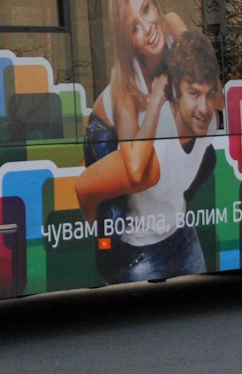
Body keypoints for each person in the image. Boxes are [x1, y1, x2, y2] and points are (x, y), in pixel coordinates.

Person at [82, 31, 220, 282]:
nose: (204, 109)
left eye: (210, 94)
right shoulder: (154, 151)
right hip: (141, 254)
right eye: (194, 94)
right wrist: (99, 230)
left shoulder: (209, 122)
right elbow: (84, 188)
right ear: (175, 92)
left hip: (183, 235)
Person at [84, 0, 189, 170]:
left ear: (156, 5)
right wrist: (157, 98)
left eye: (146, 9)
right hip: (104, 132)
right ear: (127, 42)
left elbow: (208, 87)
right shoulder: (124, 81)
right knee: (128, 195)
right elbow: (134, 167)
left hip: (137, 132)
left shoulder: (172, 26)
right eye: (134, 28)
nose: (147, 28)